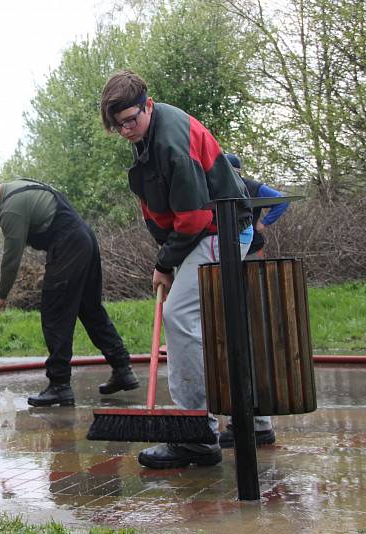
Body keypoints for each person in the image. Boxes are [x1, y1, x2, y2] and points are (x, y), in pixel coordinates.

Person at [99, 70, 252, 469]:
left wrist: (165, 263)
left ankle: (196, 437)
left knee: (179, 313)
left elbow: (195, 217)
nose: (126, 130)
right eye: (118, 126)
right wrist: (169, 257)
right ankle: (252, 423)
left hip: (223, 227)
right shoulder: (148, 136)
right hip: (210, 229)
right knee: (210, 323)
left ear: (148, 105)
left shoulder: (171, 142)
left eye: (131, 119)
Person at [0, 176, 139, 408]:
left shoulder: (10, 209)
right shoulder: (20, 186)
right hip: (85, 239)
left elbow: (11, 257)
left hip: (67, 245)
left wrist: (1, 294)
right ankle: (122, 369)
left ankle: (59, 385)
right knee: (90, 310)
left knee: (55, 313)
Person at [218, 153, 288, 449]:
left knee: (245, 334)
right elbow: (281, 199)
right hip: (244, 259)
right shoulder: (249, 186)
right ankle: (254, 421)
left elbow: (281, 199)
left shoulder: (233, 188)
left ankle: (255, 422)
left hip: (245, 260)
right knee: (248, 332)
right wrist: (263, 224)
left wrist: (263, 225)